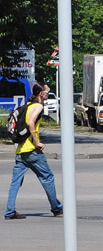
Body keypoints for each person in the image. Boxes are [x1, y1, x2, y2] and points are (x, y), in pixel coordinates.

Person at [5, 82, 63, 220]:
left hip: (21, 150)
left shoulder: (28, 105)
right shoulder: (38, 106)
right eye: (47, 92)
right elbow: (31, 123)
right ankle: (56, 208)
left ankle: (10, 211)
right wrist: (37, 142)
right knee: (47, 177)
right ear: (41, 94)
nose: (48, 94)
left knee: (15, 182)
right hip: (32, 151)